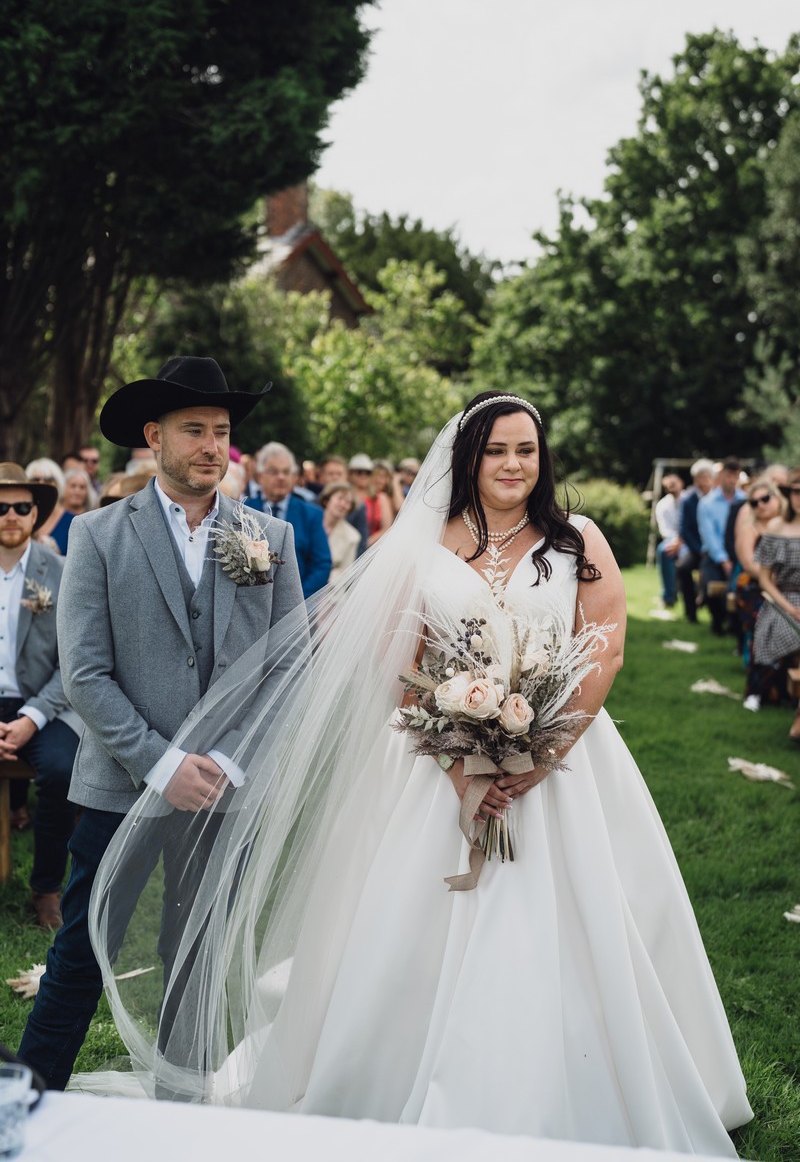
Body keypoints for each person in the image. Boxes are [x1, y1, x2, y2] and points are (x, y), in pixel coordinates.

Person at [81, 391, 750, 1153]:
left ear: (543, 457)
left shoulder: (578, 539)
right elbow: (397, 657)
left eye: (525, 451)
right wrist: (463, 759)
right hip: (433, 763)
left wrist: (538, 757)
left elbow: (606, 646)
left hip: (563, 765)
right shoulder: (427, 536)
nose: (511, 465)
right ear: (468, 458)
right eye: (495, 451)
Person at [17, 356, 305, 1091]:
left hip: (226, 792)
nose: (212, 445)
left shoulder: (269, 537)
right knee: (86, 942)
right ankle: (32, 1090)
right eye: (194, 431)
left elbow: (286, 667)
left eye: (222, 432)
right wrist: (163, 765)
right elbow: (84, 674)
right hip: (122, 781)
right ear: (154, 436)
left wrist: (229, 765)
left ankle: (184, 1098)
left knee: (199, 951)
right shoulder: (99, 534)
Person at [0, 464, 82, 928]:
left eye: (21, 506)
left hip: (44, 705)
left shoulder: (63, 571)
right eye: (0, 507)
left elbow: (74, 660)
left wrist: (32, 717)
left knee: (61, 772)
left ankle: (47, 887)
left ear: (35, 514)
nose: (10, 515)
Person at [246, 443, 331, 598]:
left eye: (286, 472)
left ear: (294, 477)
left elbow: (322, 563)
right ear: (260, 476)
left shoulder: (311, 514)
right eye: (274, 471)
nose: (281, 477)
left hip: (298, 604)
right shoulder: (244, 511)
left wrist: (299, 600)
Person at [752, 467, 800, 741]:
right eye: (795, 492)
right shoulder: (776, 527)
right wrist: (790, 607)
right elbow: (765, 579)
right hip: (781, 600)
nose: (799, 498)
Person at [733, 477, 786, 711]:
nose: (760, 505)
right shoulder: (750, 528)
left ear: (777, 498)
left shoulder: (789, 525)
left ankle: (780, 692)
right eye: (754, 503)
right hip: (754, 591)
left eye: (765, 499)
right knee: (763, 634)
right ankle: (754, 692)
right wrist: (775, 578)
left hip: (786, 590)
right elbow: (749, 564)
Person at [697, 458, 744, 635]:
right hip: (714, 554)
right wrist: (723, 559)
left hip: (739, 552)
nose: (731, 480)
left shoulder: (745, 501)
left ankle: (735, 625)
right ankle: (717, 622)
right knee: (711, 586)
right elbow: (709, 536)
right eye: (728, 475)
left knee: (740, 586)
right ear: (721, 476)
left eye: (735, 476)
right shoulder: (706, 503)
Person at [677, 459, 715, 623]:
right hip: (697, 548)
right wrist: (699, 549)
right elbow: (684, 529)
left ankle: (716, 613)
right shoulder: (688, 500)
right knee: (683, 568)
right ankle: (690, 612)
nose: (703, 481)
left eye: (706, 477)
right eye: (700, 477)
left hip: (714, 548)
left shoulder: (716, 498)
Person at [318, 481, 360, 584]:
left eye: (347, 502)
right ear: (327, 500)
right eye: (340, 498)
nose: (343, 504)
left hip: (330, 590)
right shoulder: (309, 522)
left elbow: (345, 572)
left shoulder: (352, 536)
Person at [348, 453, 393, 546]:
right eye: (359, 472)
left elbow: (386, 528)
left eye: (367, 472)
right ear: (350, 474)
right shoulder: (345, 495)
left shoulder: (380, 498)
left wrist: (365, 543)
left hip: (370, 548)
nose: (363, 475)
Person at [654, 471, 684, 609]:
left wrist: (682, 541)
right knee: (663, 550)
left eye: (673, 484)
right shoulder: (662, 505)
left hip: (689, 541)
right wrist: (676, 542)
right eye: (667, 486)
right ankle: (668, 596)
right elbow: (665, 530)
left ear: (681, 483)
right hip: (672, 541)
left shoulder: (689, 500)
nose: (671, 488)